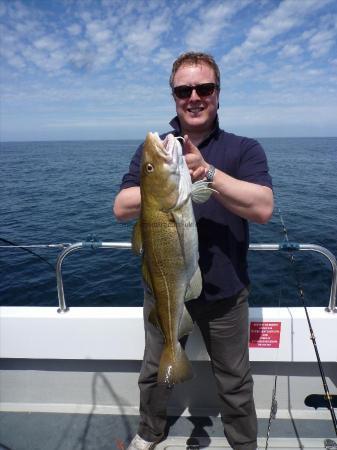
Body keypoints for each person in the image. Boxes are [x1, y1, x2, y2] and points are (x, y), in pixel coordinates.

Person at [113, 52, 274, 450]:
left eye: (204, 88)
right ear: (174, 96)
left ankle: (243, 445)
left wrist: (208, 174)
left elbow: (264, 207)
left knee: (235, 382)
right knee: (153, 373)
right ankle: (148, 434)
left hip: (225, 295)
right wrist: (161, 179)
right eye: (184, 90)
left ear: (218, 94)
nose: (194, 97)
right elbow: (120, 207)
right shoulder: (156, 151)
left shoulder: (243, 148)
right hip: (165, 288)